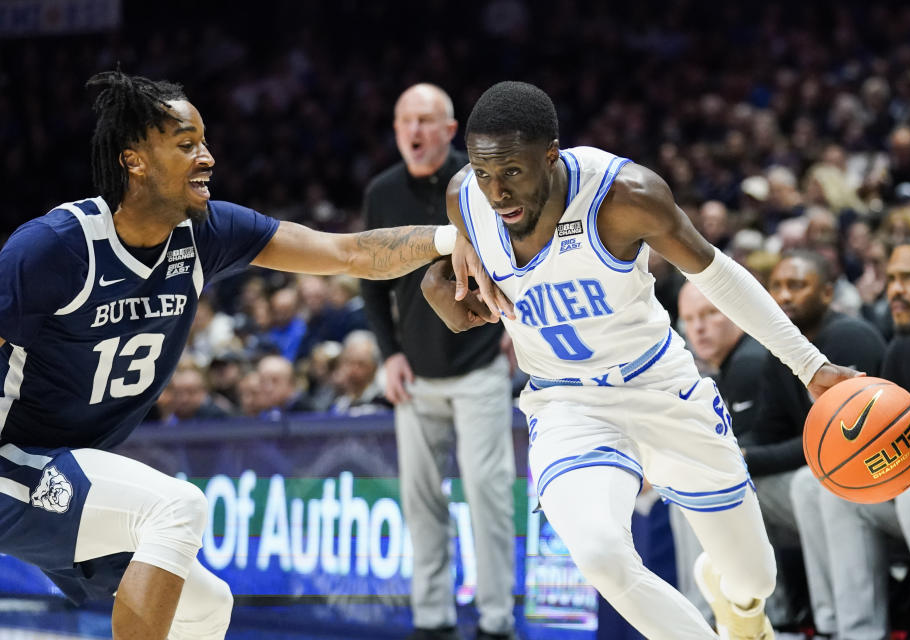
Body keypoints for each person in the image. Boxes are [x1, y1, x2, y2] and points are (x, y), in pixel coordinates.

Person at [0, 70, 458, 640]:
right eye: (186, 144)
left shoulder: (207, 235)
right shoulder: (53, 247)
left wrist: (451, 240)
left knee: (208, 606)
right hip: (11, 461)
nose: (207, 157)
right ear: (135, 160)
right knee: (175, 507)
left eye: (205, 141)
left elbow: (348, 252)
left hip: (69, 466)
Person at [420, 81, 858, 640]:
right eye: (484, 173)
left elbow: (719, 276)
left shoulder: (624, 196)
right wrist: (440, 275)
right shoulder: (468, 199)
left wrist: (812, 366)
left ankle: (740, 607)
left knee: (756, 578)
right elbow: (434, 243)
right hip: (567, 402)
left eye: (512, 173)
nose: (497, 192)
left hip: (660, 387)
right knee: (602, 554)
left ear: (551, 155)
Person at [360, 83, 515, 640]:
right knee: (421, 505)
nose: (415, 131)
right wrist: (389, 355)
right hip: (417, 377)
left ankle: (497, 623)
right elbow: (371, 285)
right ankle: (432, 621)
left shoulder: (480, 182)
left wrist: (518, 328)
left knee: (489, 501)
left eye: (427, 120)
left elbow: (521, 254)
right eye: (406, 121)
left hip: (479, 371)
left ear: (450, 131)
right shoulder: (381, 192)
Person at [792, 236, 910, 640]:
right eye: (893, 278)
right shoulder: (901, 348)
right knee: (829, 486)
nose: (897, 289)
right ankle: (852, 631)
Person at [759, 252, 886, 635]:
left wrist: (749, 456)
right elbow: (768, 430)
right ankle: (765, 620)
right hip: (819, 472)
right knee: (718, 483)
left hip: (874, 467)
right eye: (777, 286)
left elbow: (844, 443)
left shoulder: (850, 337)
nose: (784, 295)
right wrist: (727, 454)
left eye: (797, 285)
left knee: (814, 482)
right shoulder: (778, 350)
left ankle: (839, 625)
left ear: (828, 293)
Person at [669, 281, 769, 622]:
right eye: (689, 319)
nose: (698, 328)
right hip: (766, 472)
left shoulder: (750, 363)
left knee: (695, 492)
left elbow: (754, 443)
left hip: (784, 475)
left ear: (736, 315)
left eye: (710, 314)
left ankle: (708, 618)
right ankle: (701, 614)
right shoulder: (728, 366)